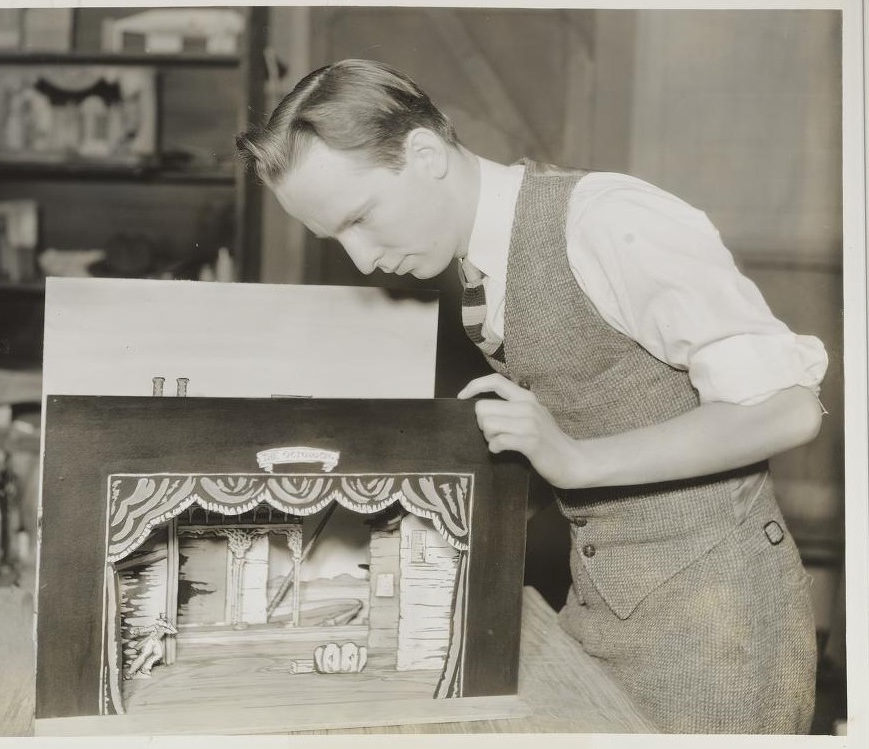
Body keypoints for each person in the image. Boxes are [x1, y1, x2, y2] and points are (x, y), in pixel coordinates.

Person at [235, 59, 828, 734]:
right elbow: (585, 408)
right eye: (336, 238)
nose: (362, 259)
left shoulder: (607, 219)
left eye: (362, 218)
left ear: (425, 154)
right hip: (601, 612)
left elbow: (785, 408)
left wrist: (576, 461)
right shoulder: (482, 261)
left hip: (719, 640)